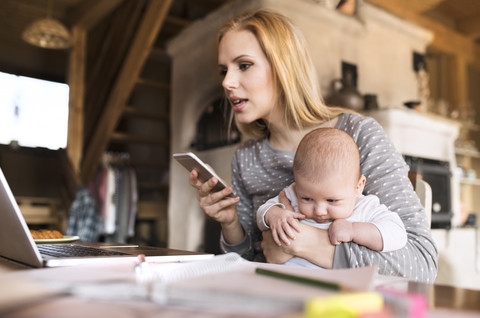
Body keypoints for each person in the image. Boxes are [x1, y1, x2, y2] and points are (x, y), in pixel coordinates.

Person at [189, 8, 438, 283]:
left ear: (285, 66)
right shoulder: (247, 158)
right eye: (224, 70)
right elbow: (251, 262)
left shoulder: (359, 135)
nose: (227, 82)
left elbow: (421, 263)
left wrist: (303, 243)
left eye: (244, 65)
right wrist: (229, 222)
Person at [256, 127, 407, 268]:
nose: (320, 211)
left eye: (332, 201)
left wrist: (354, 230)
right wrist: (274, 215)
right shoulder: (293, 194)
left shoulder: (365, 207)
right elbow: (263, 212)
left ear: (358, 186)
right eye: (307, 199)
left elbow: (398, 234)